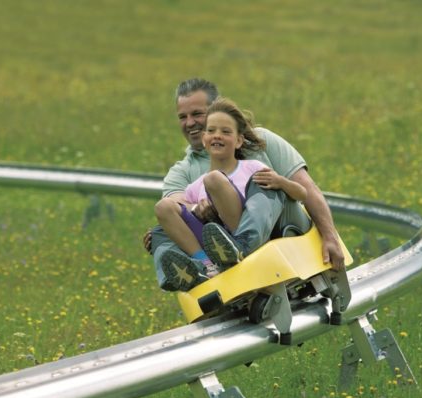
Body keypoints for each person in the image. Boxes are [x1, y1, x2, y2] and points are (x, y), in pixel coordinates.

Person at [145, 78, 345, 291]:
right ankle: (193, 273)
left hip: (282, 227)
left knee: (262, 183)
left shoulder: (260, 142)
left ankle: (243, 247)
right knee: (160, 233)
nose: (190, 123)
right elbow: (176, 205)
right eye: (182, 117)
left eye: (197, 114)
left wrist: (330, 236)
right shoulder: (182, 172)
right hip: (223, 241)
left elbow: (307, 188)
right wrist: (198, 209)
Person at [155, 97, 307, 291]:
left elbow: (302, 194)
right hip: (216, 245)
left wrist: (281, 182)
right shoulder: (195, 187)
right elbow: (182, 213)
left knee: (214, 180)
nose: (217, 136)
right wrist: (194, 209)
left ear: (238, 141)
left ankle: (239, 249)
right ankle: (203, 266)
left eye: (225, 132)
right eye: (211, 131)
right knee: (163, 207)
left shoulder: (252, 167)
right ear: (204, 139)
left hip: (251, 238)